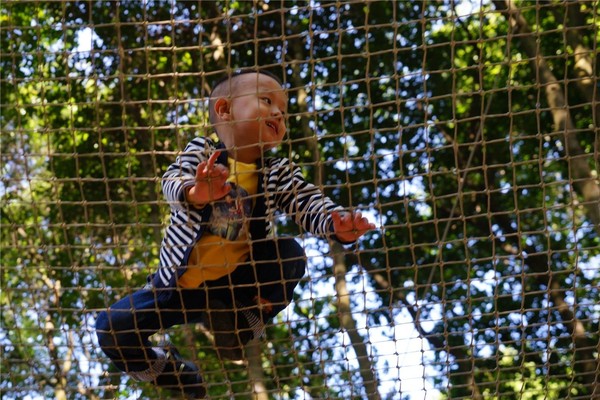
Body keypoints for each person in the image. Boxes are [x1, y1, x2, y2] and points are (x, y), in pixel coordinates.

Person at [95, 69, 375, 399]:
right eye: (267, 101)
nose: (278, 114)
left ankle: (240, 325)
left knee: (290, 254)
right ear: (225, 110)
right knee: (111, 327)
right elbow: (172, 181)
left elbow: (305, 200)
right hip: (177, 286)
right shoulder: (202, 153)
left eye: (284, 112)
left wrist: (335, 223)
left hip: (234, 287)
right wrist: (198, 190)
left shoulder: (276, 172)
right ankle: (172, 373)